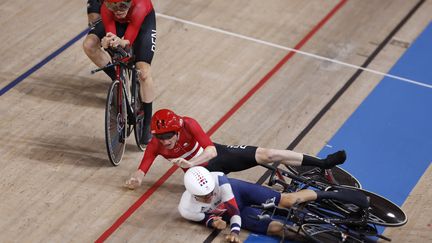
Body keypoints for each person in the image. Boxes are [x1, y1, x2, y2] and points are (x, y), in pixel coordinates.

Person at [125, 109, 347, 189]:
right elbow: (142, 169)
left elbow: (211, 151)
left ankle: (324, 163)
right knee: (238, 192)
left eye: (168, 136)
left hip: (218, 155)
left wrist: (189, 163)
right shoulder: (156, 145)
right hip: (203, 175)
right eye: (160, 137)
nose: (165, 141)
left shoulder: (189, 123)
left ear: (177, 130)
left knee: (267, 154)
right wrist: (136, 179)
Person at [178, 166, 369, 242]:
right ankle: (316, 237)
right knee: (278, 229)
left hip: (238, 195)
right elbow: (207, 219)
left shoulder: (218, 180)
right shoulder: (187, 209)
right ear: (193, 194)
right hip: (236, 212)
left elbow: (234, 211)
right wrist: (214, 223)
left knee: (288, 200)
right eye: (205, 196)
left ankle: (335, 194)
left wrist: (234, 232)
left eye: (212, 191)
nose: (211, 195)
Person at [83, 0, 156, 144]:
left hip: (141, 24)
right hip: (118, 24)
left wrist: (120, 42)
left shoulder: (140, 6)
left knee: (144, 72)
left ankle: (148, 123)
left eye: (122, 6)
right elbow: (111, 35)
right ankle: (119, 82)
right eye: (113, 7)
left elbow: (127, 42)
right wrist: (108, 41)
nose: (118, 10)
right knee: (90, 45)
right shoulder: (106, 8)